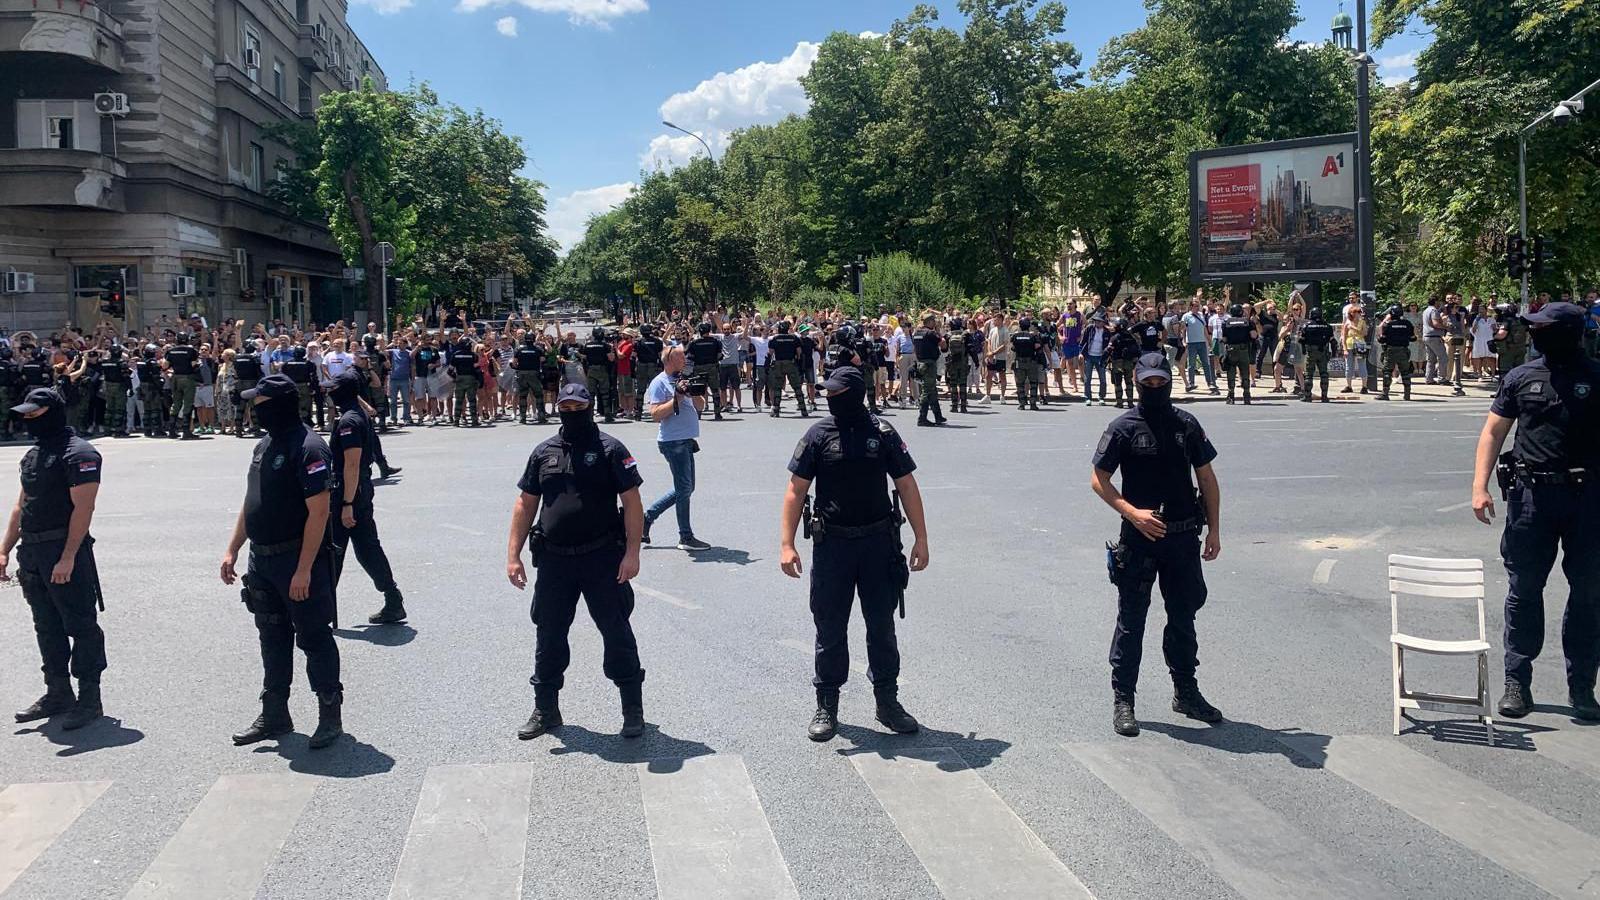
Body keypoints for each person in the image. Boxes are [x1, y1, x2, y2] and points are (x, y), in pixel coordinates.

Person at [780, 366, 928, 742]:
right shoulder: (818, 434)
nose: (829, 398)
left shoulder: (882, 432)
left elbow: (907, 485)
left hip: (878, 544)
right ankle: (827, 705)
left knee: (881, 626)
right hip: (833, 546)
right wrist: (786, 544)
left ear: (854, 395)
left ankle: (887, 702)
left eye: (835, 393)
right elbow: (796, 490)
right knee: (830, 628)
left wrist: (921, 539)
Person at [1470, 302, 1600, 721]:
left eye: (1543, 329)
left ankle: (1582, 688)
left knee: (1588, 596)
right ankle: (1516, 684)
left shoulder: (1596, 375)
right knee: (1524, 591)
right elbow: (1493, 430)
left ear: (1570, 332)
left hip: (1588, 500)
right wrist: (1479, 486)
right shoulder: (1521, 377)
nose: (1534, 335)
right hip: (1532, 498)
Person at [1091, 352, 1223, 737]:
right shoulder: (1123, 427)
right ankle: (1124, 700)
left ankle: (1186, 691)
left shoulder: (1186, 424)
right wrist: (1132, 513)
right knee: (1132, 620)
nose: (1154, 389)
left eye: (1159, 383)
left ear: (1169, 381)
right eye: (1147, 383)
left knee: (1183, 616)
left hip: (1182, 535)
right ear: (1136, 380)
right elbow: (1098, 478)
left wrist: (1214, 530)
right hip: (1140, 536)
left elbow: (1208, 479)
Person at [505, 382, 646, 739]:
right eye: (565, 408)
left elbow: (632, 502)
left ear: (589, 407)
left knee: (616, 632)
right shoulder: (544, 452)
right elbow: (525, 504)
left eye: (577, 407)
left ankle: (632, 709)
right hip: (554, 561)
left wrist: (632, 552)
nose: (571, 413)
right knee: (549, 634)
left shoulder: (611, 450)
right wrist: (513, 556)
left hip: (603, 558)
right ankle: (546, 709)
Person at [219, 374, 344, 750]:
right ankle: (275, 714)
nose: (254, 408)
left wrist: (304, 568)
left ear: (279, 404)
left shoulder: (308, 448)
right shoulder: (263, 446)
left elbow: (319, 514)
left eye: (259, 402)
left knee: (313, 637)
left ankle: (329, 715)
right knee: (271, 638)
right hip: (262, 560)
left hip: (296, 559)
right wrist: (233, 548)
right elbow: (251, 500)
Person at [2, 388, 107, 730]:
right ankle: (58, 692)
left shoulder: (78, 453)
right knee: (46, 626)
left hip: (63, 551)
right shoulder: (34, 454)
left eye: (36, 415)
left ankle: (89, 698)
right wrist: (4, 550)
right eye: (27, 416)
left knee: (80, 625)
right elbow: (21, 505)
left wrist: (68, 557)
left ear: (54, 412)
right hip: (32, 553)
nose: (30, 421)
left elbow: (84, 508)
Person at [324, 370, 406, 626]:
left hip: (349, 491)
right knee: (366, 548)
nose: (327, 393)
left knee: (333, 549)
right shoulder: (355, 415)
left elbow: (351, 463)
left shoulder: (349, 421)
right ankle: (393, 598)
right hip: (357, 489)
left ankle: (321, 608)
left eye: (332, 389)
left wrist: (346, 503)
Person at [641, 347, 711, 551]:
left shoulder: (683, 379)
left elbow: (700, 406)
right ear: (670, 358)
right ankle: (685, 536)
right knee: (684, 489)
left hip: (686, 440)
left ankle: (648, 517)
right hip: (673, 442)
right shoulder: (659, 382)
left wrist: (695, 391)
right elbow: (655, 414)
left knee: (687, 488)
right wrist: (677, 397)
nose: (685, 358)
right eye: (681, 355)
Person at [766, 320, 808, 417]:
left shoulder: (774, 339)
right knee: (797, 387)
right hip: (791, 363)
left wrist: (767, 366)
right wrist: (800, 366)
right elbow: (799, 353)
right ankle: (803, 409)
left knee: (777, 388)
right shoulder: (794, 338)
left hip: (778, 364)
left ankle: (776, 410)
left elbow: (770, 353)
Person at [1377, 304, 1416, 401]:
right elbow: (1413, 338)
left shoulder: (1388, 325)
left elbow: (1382, 339)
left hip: (1390, 351)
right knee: (1405, 373)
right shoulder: (1407, 324)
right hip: (1403, 350)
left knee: (1387, 372)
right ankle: (1407, 394)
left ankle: (1385, 393)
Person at [912, 314, 946, 426]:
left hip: (920, 364)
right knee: (927, 392)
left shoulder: (916, 333)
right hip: (929, 364)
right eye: (933, 321)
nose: (935, 322)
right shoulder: (930, 333)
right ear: (930, 321)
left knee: (932, 390)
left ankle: (938, 416)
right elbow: (942, 343)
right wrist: (942, 338)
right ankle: (922, 418)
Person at [686, 322, 724, 421]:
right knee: (715, 390)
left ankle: (698, 413)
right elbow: (720, 356)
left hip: (698, 368)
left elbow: (689, 356)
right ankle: (717, 413)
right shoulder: (715, 342)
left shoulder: (694, 342)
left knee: (699, 391)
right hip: (712, 367)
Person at [165, 332, 199, 438]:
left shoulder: (171, 351)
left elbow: (165, 365)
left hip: (175, 378)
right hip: (188, 378)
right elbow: (194, 365)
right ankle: (186, 430)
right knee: (188, 403)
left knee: (176, 404)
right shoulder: (191, 350)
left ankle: (171, 430)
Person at [1219, 305, 1255, 405]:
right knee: (1245, 373)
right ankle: (1246, 395)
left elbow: (1224, 338)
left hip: (1231, 350)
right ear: (1240, 312)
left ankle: (1231, 395)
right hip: (1243, 350)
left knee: (1231, 373)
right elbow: (1253, 335)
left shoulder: (1226, 322)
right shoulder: (1248, 322)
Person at [582, 326, 617, 424]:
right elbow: (611, 359)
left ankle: (590, 416)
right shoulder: (605, 345)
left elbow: (584, 357)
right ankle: (607, 415)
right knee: (605, 393)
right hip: (602, 369)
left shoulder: (587, 345)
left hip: (591, 369)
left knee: (591, 394)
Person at [1299, 308, 1336, 403]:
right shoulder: (1327, 326)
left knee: (1308, 375)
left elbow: (1301, 340)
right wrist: (1334, 353)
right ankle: (1324, 396)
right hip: (1323, 351)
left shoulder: (1306, 326)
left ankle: (1307, 396)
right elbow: (1333, 341)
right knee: (1324, 374)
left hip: (1310, 352)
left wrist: (1303, 350)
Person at [447, 330, 481, 427]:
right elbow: (477, 369)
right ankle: (474, 420)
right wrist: (479, 380)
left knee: (459, 400)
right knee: (472, 400)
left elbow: (449, 371)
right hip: (471, 379)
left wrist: (456, 377)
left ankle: (456, 420)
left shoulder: (456, 355)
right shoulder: (473, 355)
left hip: (460, 379)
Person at [1010, 317, 1045, 410]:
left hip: (1019, 362)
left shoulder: (1015, 336)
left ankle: (1022, 404)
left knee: (1020, 384)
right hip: (1031, 362)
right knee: (1033, 383)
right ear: (1029, 326)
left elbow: (1012, 348)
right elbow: (1038, 346)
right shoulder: (1033, 336)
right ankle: (1033, 404)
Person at [98, 345, 132, 438]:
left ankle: (107, 429)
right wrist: (130, 388)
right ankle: (118, 430)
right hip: (119, 386)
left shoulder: (105, 362)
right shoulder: (121, 363)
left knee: (109, 408)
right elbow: (126, 376)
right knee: (119, 409)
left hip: (108, 386)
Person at [632, 324, 665, 421]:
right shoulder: (657, 342)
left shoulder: (638, 343)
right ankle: (658, 412)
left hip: (641, 366)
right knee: (656, 390)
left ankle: (638, 412)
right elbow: (661, 356)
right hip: (653, 367)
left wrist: (632, 369)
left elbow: (633, 357)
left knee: (641, 390)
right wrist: (662, 368)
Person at [1107, 318, 1141, 409]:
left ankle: (1119, 402)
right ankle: (1130, 402)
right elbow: (1137, 350)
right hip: (1129, 362)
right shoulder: (1131, 337)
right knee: (1129, 382)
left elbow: (1108, 349)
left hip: (1117, 362)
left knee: (1118, 382)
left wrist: (1103, 360)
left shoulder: (1115, 337)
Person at [512, 330, 544, 424]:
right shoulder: (538, 349)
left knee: (523, 396)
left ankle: (523, 417)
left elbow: (514, 362)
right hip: (534, 373)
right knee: (538, 395)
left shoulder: (518, 349)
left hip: (522, 374)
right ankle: (541, 416)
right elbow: (542, 359)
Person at [232, 342, 264, 436]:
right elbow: (259, 371)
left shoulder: (237, 358)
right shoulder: (254, 358)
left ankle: (238, 430)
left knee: (240, 407)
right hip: (252, 383)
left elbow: (234, 370)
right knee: (253, 406)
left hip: (240, 383)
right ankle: (256, 429)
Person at [136, 344, 166, 437]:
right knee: (155, 409)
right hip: (151, 386)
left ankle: (147, 430)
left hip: (143, 386)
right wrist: (161, 385)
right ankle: (157, 430)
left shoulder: (140, 361)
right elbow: (156, 376)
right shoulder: (152, 362)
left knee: (147, 409)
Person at [944, 317, 971, 413]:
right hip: (963, 362)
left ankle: (954, 406)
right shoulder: (966, 335)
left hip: (952, 363)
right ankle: (963, 406)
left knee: (953, 384)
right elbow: (971, 349)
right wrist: (975, 362)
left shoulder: (948, 335)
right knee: (963, 384)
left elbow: (944, 349)